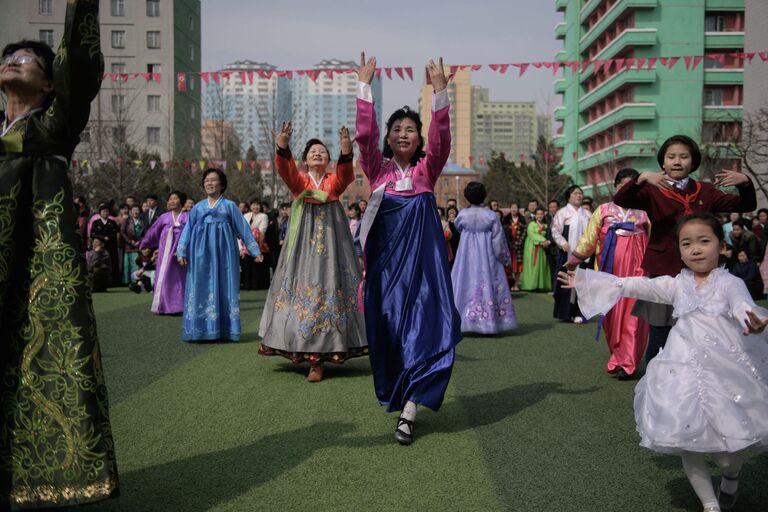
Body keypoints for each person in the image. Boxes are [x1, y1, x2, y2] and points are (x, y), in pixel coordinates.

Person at [560, 213, 768, 512]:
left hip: (726, 371)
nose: (695, 249)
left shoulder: (729, 283)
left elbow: (743, 306)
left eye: (704, 241)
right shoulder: (676, 284)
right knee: (685, 438)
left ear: (722, 247)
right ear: (679, 251)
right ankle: (710, 504)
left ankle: (731, 475)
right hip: (681, 370)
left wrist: (755, 319)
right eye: (687, 243)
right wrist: (584, 279)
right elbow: (632, 285)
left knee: (728, 453)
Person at [0, 2, 119, 507]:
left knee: (42, 361)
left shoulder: (56, 121)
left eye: (29, 58)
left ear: (50, 83)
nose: (15, 60)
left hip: (35, 272)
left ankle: (47, 478)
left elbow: (81, 64)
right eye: (10, 56)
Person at [356, 52, 461, 445]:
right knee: (389, 334)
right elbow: (363, 137)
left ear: (418, 139)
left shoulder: (426, 172)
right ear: (388, 137)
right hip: (385, 277)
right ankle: (400, 396)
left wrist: (440, 92)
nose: (403, 134)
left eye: (410, 129)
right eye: (396, 129)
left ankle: (410, 410)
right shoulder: (376, 171)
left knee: (425, 332)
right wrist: (363, 86)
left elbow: (442, 139)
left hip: (424, 273)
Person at [613, 134, 756, 363]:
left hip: (700, 273)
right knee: (660, 334)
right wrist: (641, 178)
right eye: (671, 157)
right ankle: (654, 388)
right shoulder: (653, 189)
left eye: (683, 156)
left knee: (699, 330)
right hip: (664, 271)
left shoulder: (705, 191)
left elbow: (747, 205)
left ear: (693, 162)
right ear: (663, 162)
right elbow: (620, 199)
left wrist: (745, 182)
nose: (677, 161)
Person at [258, 124, 367, 382]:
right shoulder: (301, 181)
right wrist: (282, 146)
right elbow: (286, 171)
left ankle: (323, 354)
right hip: (303, 249)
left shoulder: (333, 182)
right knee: (302, 289)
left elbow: (345, 176)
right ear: (305, 160)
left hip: (333, 248)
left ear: (328, 160)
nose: (318, 153)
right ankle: (309, 354)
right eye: (312, 151)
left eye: (322, 151)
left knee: (331, 287)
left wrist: (345, 149)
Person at [567, 168, 650, 380]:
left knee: (634, 318)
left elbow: (655, 240)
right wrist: (574, 260)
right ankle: (617, 355)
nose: (628, 190)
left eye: (634, 186)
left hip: (638, 272)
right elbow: (589, 239)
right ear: (616, 187)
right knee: (611, 317)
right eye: (624, 185)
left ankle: (628, 362)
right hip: (608, 272)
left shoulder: (645, 212)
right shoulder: (603, 210)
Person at [176, 169, 262, 342]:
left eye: (213, 180)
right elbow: (188, 230)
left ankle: (225, 330)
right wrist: (181, 250)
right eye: (206, 180)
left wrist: (255, 251)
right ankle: (199, 329)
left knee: (225, 286)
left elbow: (243, 229)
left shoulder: (229, 206)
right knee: (200, 285)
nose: (209, 183)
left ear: (222, 184)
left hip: (225, 255)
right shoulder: (198, 208)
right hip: (200, 254)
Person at [451, 182, 517, 334]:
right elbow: (499, 241)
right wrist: (504, 259)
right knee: (487, 281)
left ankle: (462, 320)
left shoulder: (462, 214)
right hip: (487, 256)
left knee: (463, 282)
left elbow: (458, 227)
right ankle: (488, 322)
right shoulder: (491, 215)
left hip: (465, 256)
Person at [140, 191, 188, 315]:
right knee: (165, 277)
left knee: (181, 278)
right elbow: (153, 232)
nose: (171, 201)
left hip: (181, 252)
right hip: (165, 252)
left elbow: (194, 234)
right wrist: (145, 244)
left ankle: (181, 306)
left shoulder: (188, 217)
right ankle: (164, 306)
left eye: (175, 199)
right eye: (170, 199)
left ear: (181, 201)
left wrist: (186, 250)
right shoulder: (164, 217)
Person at [551, 185, 591, 323]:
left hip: (583, 254)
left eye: (580, 193)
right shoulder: (562, 212)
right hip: (567, 252)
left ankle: (580, 313)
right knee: (565, 280)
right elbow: (555, 230)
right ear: (569, 196)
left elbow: (592, 232)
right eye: (575, 193)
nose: (578, 196)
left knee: (582, 282)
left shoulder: (587, 214)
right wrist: (562, 243)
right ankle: (565, 312)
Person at [519, 207, 552, 292]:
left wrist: (546, 242)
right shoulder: (531, 224)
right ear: (535, 215)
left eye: (541, 214)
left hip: (542, 249)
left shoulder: (546, 225)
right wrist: (543, 241)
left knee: (541, 265)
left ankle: (540, 285)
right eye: (538, 214)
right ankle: (530, 285)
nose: (539, 216)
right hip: (532, 247)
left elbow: (548, 235)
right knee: (532, 266)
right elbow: (531, 234)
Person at [241, 199, 270, 290]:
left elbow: (262, 231)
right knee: (246, 266)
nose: (255, 207)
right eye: (253, 205)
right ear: (250, 206)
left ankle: (255, 286)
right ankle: (246, 285)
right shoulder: (246, 215)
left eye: (257, 205)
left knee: (256, 267)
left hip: (257, 243)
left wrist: (259, 248)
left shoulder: (263, 216)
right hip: (245, 244)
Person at [90, 203, 120, 287]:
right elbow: (92, 234)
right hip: (99, 247)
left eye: (107, 211)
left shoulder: (112, 222)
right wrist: (102, 238)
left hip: (111, 246)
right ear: (100, 213)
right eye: (103, 211)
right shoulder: (96, 223)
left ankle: (113, 282)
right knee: (99, 263)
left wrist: (108, 238)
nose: (105, 213)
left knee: (112, 263)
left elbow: (114, 233)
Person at [121, 204, 145, 285]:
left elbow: (145, 233)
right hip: (128, 246)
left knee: (135, 264)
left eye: (137, 210)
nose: (135, 212)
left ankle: (134, 281)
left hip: (138, 246)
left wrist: (140, 241)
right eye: (134, 210)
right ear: (131, 212)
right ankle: (126, 282)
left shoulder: (143, 221)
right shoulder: (127, 221)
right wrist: (130, 241)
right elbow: (122, 232)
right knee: (126, 265)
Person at [504, 202, 526, 291]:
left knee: (518, 266)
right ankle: (510, 284)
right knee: (510, 266)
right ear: (510, 209)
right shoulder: (506, 219)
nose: (514, 209)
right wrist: (509, 244)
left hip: (518, 247)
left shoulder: (522, 220)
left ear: (518, 209)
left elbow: (524, 233)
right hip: (508, 247)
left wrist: (518, 243)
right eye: (512, 208)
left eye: (515, 208)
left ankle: (516, 285)